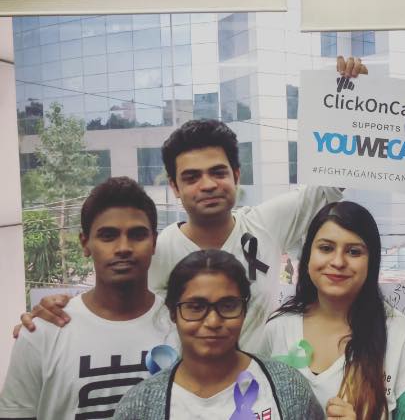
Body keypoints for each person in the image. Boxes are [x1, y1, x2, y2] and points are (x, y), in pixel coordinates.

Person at [19, 115, 345, 352]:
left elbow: (331, 181)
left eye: (218, 172)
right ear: (175, 187)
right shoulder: (155, 252)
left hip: (260, 398)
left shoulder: (266, 223)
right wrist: (57, 316)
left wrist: (346, 91)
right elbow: (112, 304)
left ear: (236, 175)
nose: (208, 184)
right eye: (191, 177)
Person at [0, 177, 177, 419]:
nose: (123, 247)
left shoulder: (182, 326)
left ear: (154, 242)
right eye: (108, 236)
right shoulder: (42, 332)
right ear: (85, 243)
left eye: (137, 235)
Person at [260, 201, 405, 420]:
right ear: (307, 256)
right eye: (326, 248)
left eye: (354, 252)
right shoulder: (277, 329)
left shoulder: (400, 336)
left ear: (372, 262)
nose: (338, 262)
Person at [114, 249, 323, 420]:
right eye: (196, 307)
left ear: (244, 310)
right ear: (172, 313)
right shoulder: (140, 405)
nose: (213, 322)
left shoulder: (287, 388)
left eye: (228, 305)